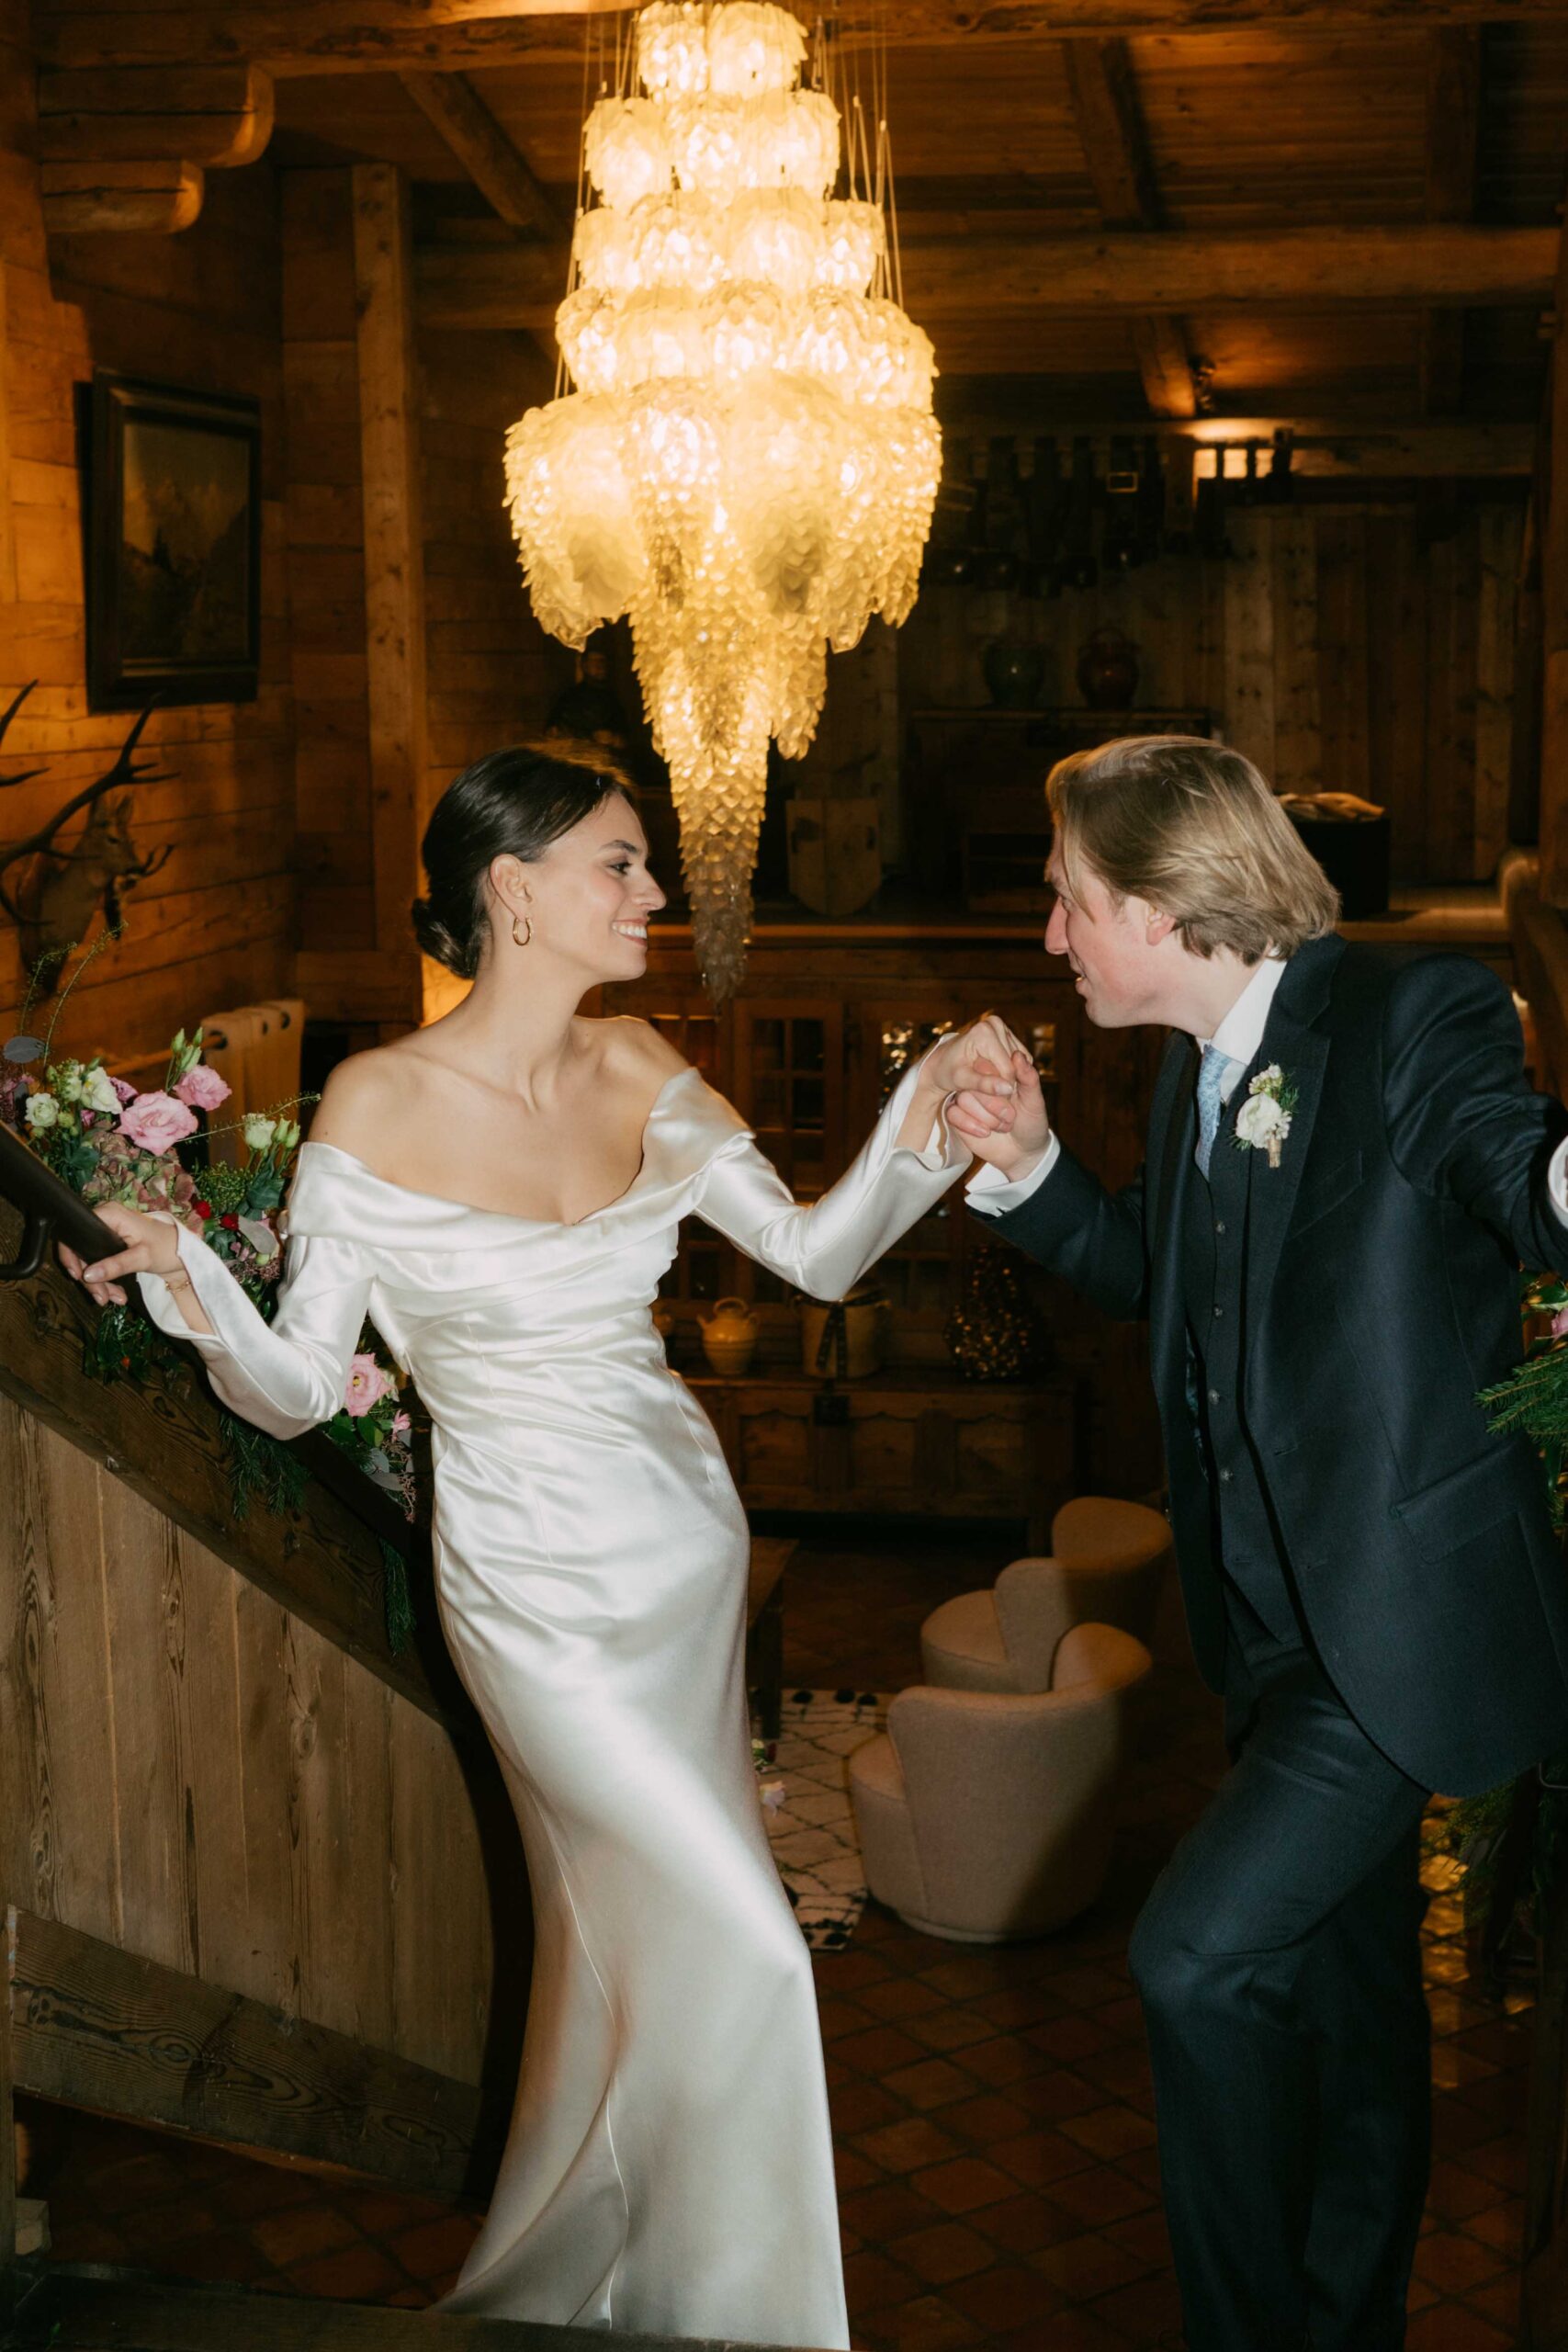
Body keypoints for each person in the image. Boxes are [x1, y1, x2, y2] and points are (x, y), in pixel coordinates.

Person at [61, 741, 1013, 2347]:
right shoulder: (375, 1099)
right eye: (621, 864)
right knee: (753, 1945)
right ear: (512, 891)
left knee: (626, 1940)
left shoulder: (644, 1059)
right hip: (528, 1586)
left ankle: (601, 2281)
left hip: (679, 1541)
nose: (653, 892)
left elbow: (819, 1254)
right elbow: (297, 1390)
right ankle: (748, 2318)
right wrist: (186, 1277)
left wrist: (932, 1115)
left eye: (645, 864)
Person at [946, 734, 1568, 2352]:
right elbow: (1179, 1285)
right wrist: (1028, 1174)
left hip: (1394, 1633)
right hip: (1273, 1643)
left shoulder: (1405, 1015)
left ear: (1164, 903)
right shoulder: (1198, 1057)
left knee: (1195, 1962)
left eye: (1070, 900)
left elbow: (1517, 1169)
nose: (1053, 937)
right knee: (1362, 2023)